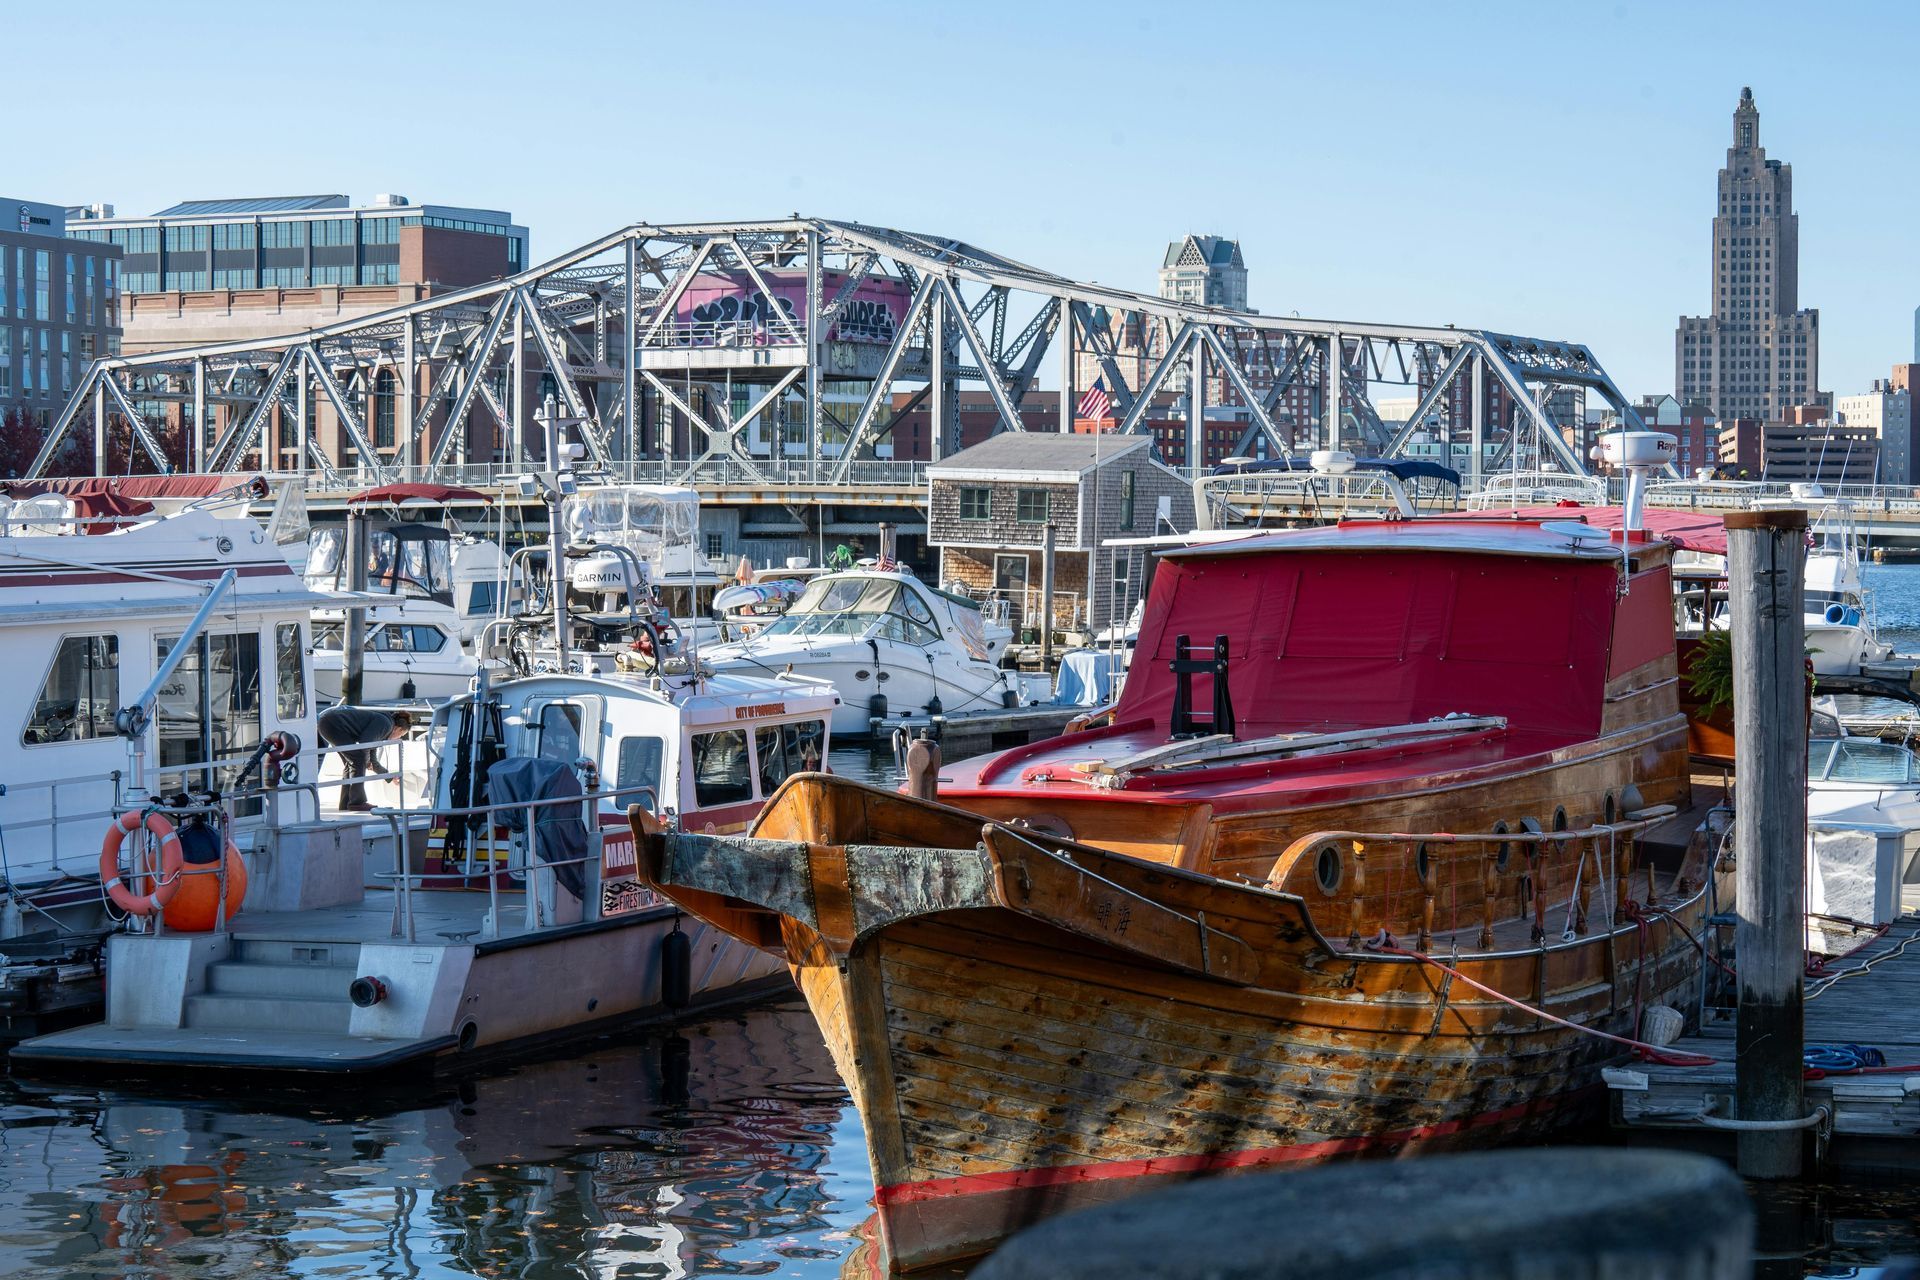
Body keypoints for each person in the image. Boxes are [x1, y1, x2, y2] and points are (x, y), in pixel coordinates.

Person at [316, 705, 413, 810]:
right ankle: (357, 802)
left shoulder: (382, 726)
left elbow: (373, 759)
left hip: (328, 722)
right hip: (333, 724)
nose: (398, 738)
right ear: (398, 729)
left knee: (352, 762)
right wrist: (366, 762)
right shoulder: (386, 724)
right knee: (358, 759)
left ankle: (346, 803)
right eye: (401, 735)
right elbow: (365, 743)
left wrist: (389, 777)